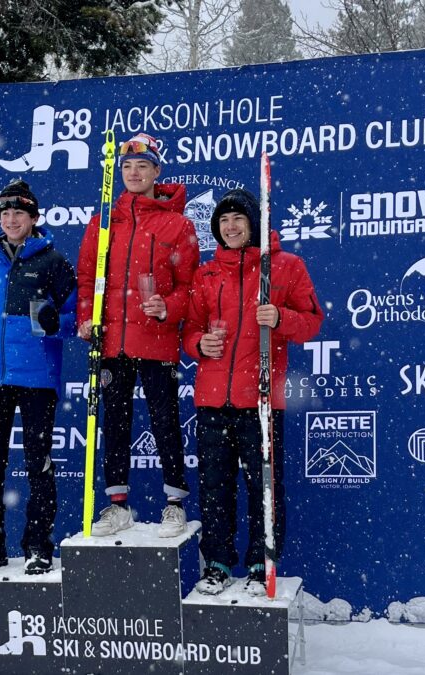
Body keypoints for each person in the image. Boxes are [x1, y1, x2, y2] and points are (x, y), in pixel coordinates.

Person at [182, 188, 323, 595]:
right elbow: (189, 329)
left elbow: (312, 322)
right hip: (212, 399)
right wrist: (197, 344)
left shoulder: (285, 266)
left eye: (238, 219)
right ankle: (219, 563)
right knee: (214, 487)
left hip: (260, 400)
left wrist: (280, 317)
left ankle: (263, 562)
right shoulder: (206, 274)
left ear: (253, 224)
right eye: (223, 221)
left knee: (263, 486)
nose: (230, 227)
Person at [76, 133, 200, 537]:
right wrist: (85, 318)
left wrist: (168, 307)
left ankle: (175, 504)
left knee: (165, 420)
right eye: (127, 167)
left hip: (157, 339)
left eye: (142, 166)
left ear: (156, 172)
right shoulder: (103, 222)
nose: (133, 173)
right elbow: (86, 279)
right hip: (111, 341)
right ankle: (117, 506)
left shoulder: (178, 224)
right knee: (115, 421)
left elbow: (190, 288)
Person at [0, 179, 76, 575]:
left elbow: (77, 319)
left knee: (38, 463)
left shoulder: (53, 261)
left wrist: (55, 321)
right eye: (5, 214)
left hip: (38, 378)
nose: (11, 220)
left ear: (33, 218)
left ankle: (38, 546)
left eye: (18, 214)